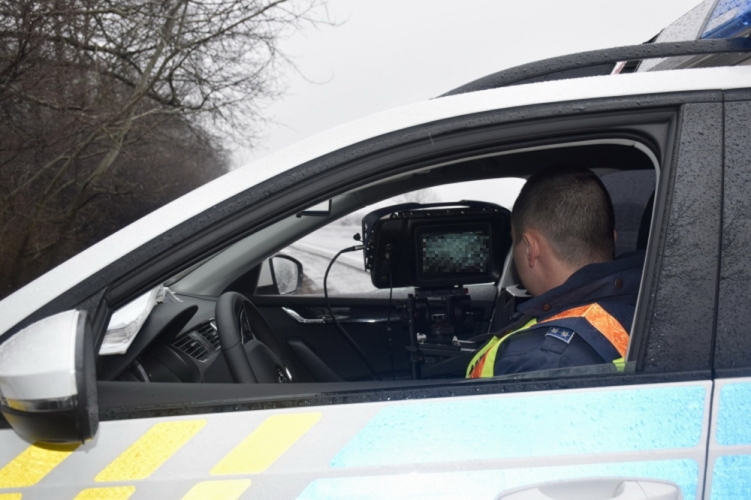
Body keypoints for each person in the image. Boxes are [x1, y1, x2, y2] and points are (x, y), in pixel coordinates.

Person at [466, 165, 644, 378]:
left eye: (515, 242)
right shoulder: (643, 301)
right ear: (612, 238)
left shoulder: (542, 359)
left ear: (531, 249)